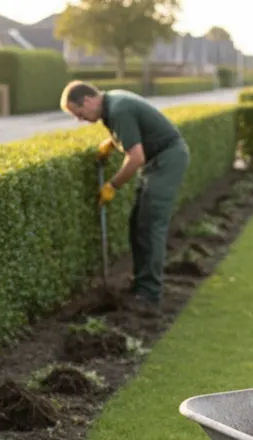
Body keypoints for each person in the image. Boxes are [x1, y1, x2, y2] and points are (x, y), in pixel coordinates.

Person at [61, 80, 190, 314]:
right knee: (137, 223)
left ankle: (149, 294)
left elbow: (136, 158)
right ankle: (141, 285)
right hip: (157, 161)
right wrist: (112, 143)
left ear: (88, 100)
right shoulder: (112, 104)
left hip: (167, 160)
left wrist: (112, 185)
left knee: (151, 225)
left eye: (79, 113)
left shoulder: (119, 108)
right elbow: (133, 132)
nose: (80, 119)